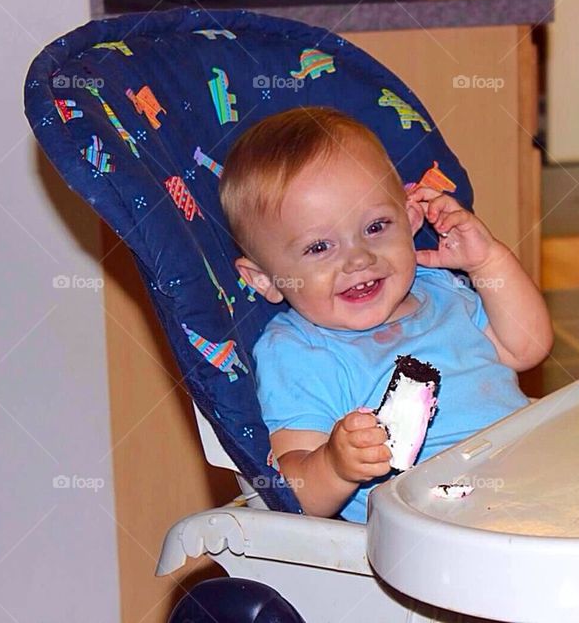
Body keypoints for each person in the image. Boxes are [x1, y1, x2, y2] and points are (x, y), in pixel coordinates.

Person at [220, 106, 553, 523]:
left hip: (532, 476)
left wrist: (488, 262)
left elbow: (526, 348)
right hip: (440, 524)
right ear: (264, 279)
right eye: (319, 247)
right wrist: (334, 465)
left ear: (411, 219)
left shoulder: (441, 290)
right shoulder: (298, 352)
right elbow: (293, 494)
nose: (359, 258)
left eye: (376, 227)